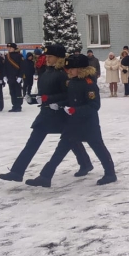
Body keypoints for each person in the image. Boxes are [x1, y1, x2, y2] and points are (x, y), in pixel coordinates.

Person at [0, 44, 93, 183]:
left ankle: (85, 164)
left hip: (60, 114)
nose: (47, 59)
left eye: (50, 56)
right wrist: (33, 98)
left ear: (59, 58)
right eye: (46, 56)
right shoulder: (46, 72)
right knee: (33, 142)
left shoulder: (63, 74)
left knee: (71, 140)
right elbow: (44, 93)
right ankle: (17, 171)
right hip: (46, 114)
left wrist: (48, 99)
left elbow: (69, 95)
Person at [25, 53, 115, 187]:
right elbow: (70, 99)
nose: (68, 71)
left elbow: (94, 105)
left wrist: (75, 110)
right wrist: (57, 103)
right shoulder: (72, 81)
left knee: (98, 148)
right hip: (73, 124)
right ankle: (45, 176)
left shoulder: (89, 84)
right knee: (60, 150)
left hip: (88, 124)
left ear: (80, 68)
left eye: (71, 68)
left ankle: (110, 173)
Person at [4, 43, 24, 112]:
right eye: (8, 48)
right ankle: (14, 105)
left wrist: (20, 76)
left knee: (18, 92)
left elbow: (22, 67)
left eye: (10, 48)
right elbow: (5, 67)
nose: (9, 49)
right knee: (12, 92)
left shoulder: (19, 56)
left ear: (14, 48)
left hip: (17, 77)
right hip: (10, 77)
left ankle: (19, 105)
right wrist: (5, 75)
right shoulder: (7, 56)